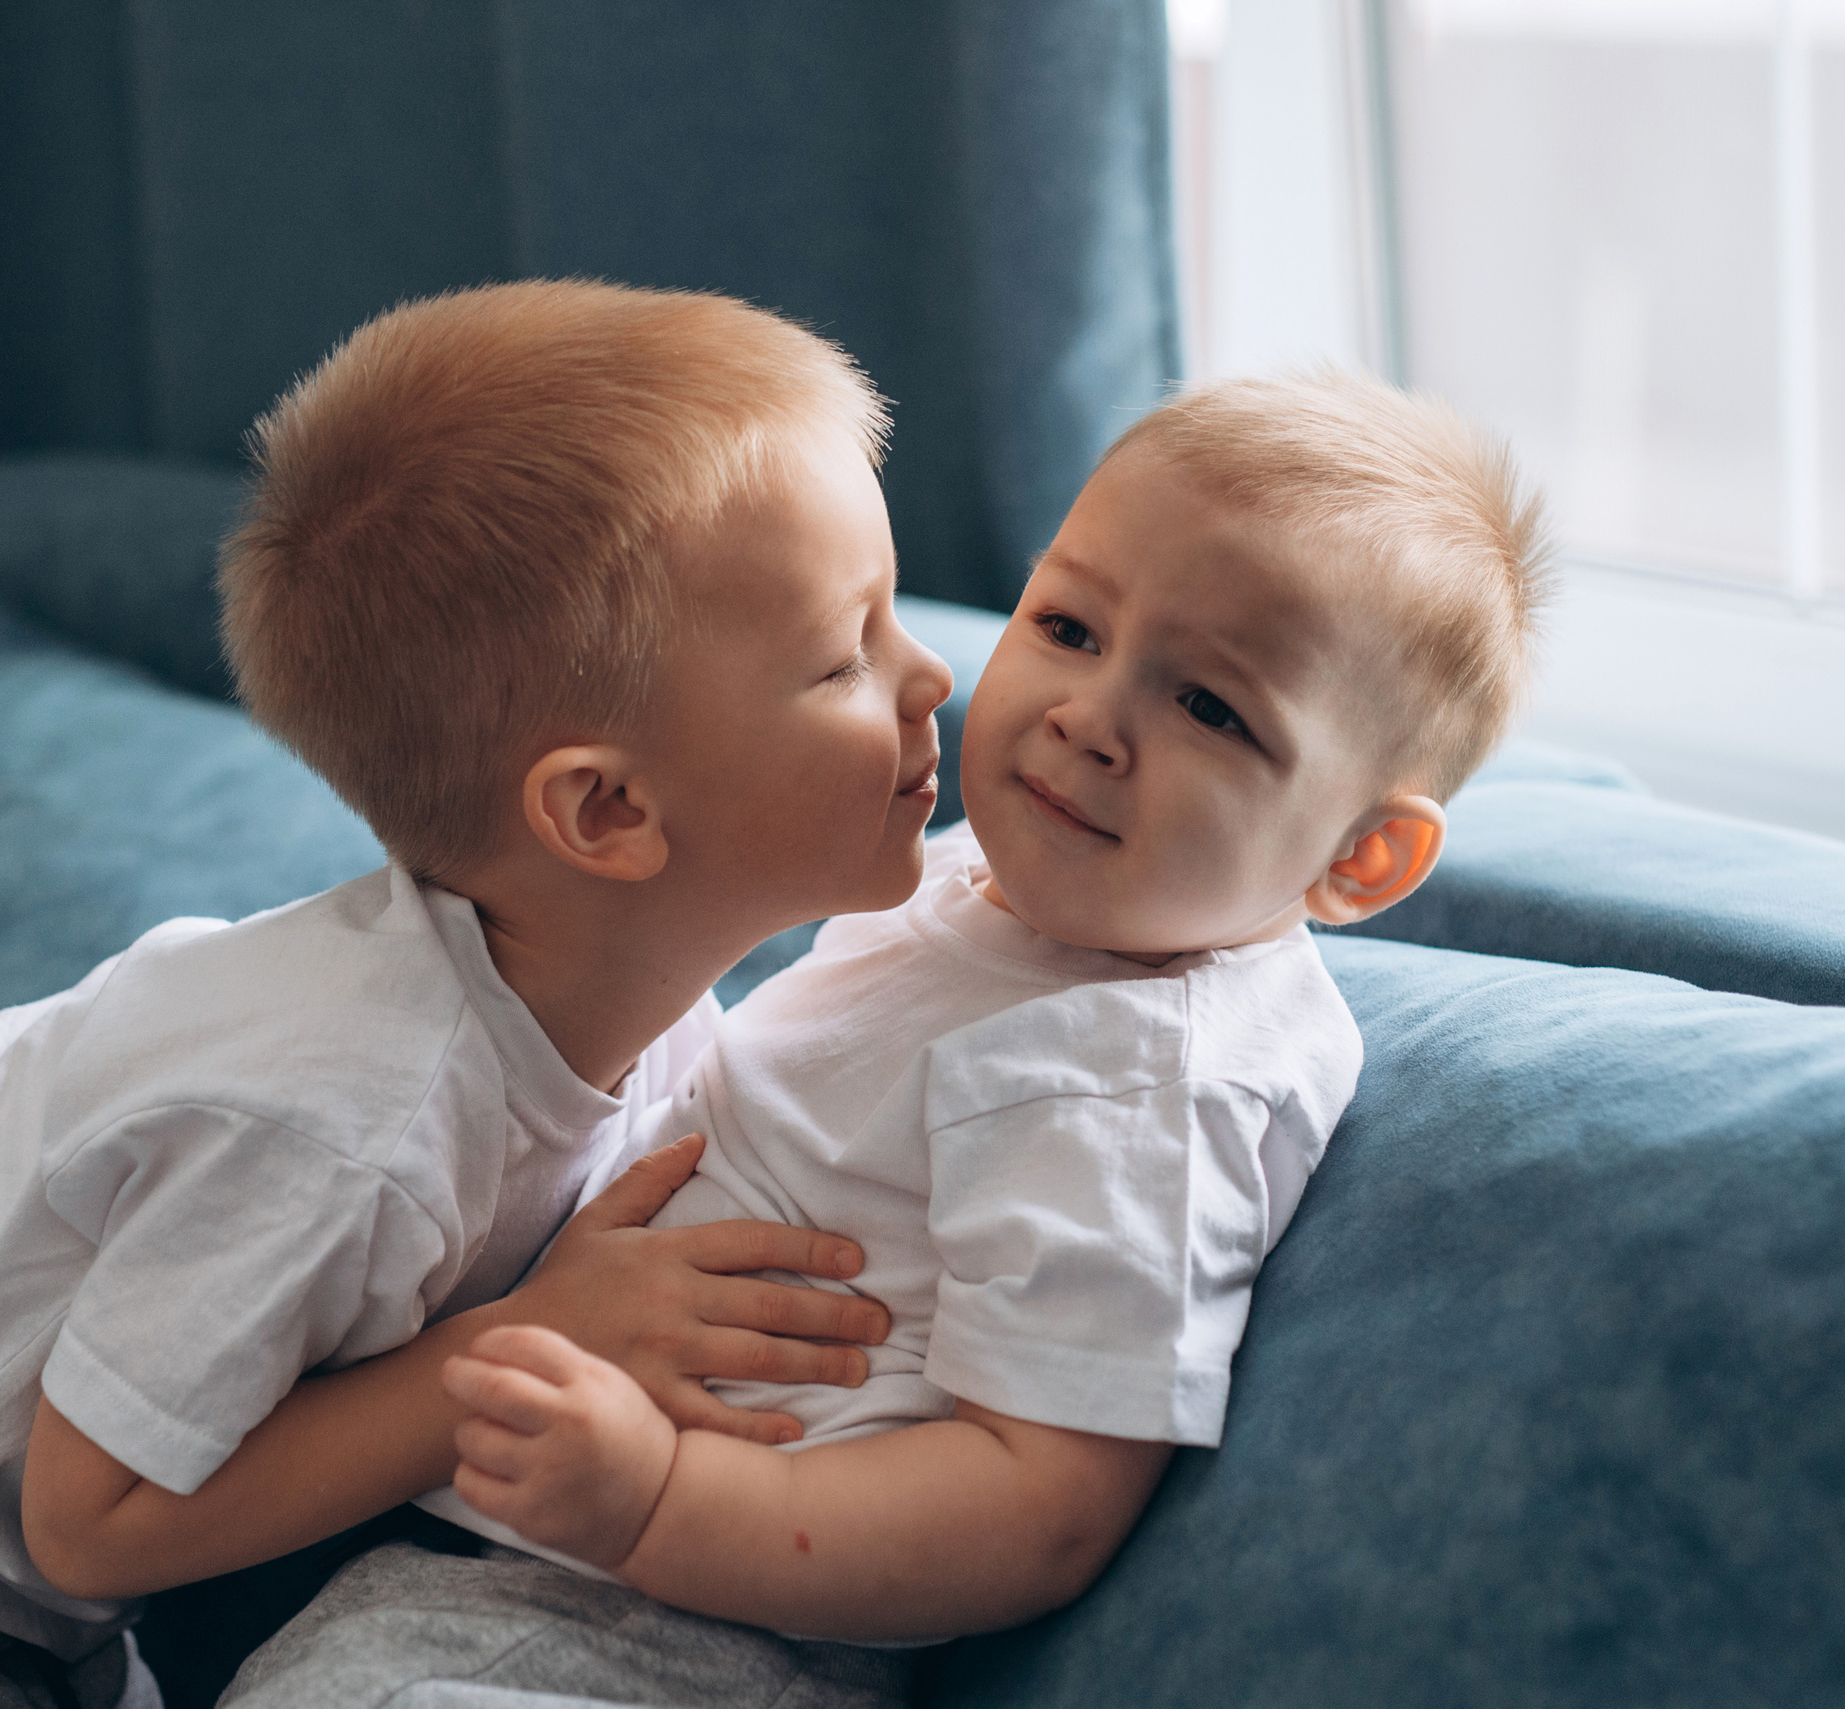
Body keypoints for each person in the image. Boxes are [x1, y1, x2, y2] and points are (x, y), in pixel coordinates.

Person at [0, 279, 958, 1709]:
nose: (935, 676)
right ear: (602, 812)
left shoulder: (653, 1027)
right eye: (849, 652)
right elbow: (87, 1517)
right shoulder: (343, 1116)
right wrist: (524, 1346)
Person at [221, 369, 1552, 1708]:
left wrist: (660, 1495)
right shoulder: (999, 881)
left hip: (664, 1624)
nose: (1088, 718)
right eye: (1071, 624)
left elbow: (1039, 1505)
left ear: (1364, 854)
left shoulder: (1141, 1077)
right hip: (502, 1545)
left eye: (1210, 708)